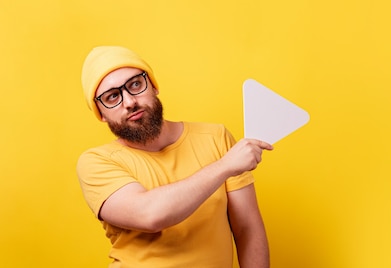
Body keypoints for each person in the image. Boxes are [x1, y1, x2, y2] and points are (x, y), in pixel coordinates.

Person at [76, 46, 273, 268]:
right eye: (113, 97)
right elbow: (150, 215)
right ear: (101, 114)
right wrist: (225, 166)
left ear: (153, 85)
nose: (129, 102)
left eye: (135, 85)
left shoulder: (216, 138)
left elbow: (247, 228)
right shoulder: (96, 162)